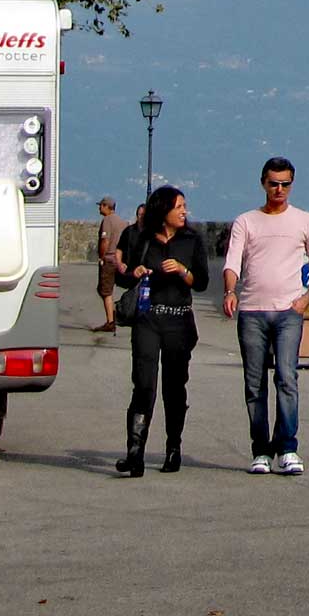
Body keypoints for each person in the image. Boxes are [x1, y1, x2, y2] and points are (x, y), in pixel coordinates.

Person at [221, 156, 309, 477]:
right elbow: (232, 263)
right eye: (273, 184)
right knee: (254, 383)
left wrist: (306, 298)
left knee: (287, 378)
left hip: (288, 312)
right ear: (263, 184)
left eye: (285, 184)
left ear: (291, 185)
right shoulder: (246, 222)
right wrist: (230, 290)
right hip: (252, 311)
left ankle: (288, 447)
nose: (279, 189)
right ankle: (260, 450)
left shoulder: (304, 221)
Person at [115, 184, 209, 476]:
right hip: (148, 319)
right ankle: (135, 452)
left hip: (178, 321)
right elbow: (124, 279)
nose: (184, 211)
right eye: (178, 207)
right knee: (143, 384)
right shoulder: (141, 239)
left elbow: (203, 282)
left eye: (184, 206)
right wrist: (136, 272)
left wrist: (182, 270)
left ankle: (173, 448)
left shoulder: (192, 240)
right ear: (163, 210)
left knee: (174, 386)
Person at [93, 195, 124, 333]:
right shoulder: (122, 222)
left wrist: (101, 256)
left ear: (107, 206)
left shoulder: (107, 221)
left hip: (109, 259)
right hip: (119, 259)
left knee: (105, 291)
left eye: (101, 205)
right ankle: (114, 314)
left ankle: (110, 321)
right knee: (108, 289)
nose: (99, 207)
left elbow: (105, 240)